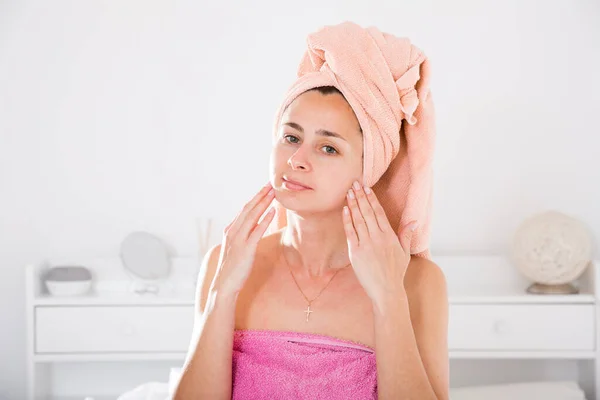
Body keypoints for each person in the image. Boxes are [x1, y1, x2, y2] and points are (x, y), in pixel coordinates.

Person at [174, 22, 449, 400]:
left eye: (328, 148)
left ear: (369, 168)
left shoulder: (417, 282)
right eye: (291, 137)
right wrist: (222, 292)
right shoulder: (225, 262)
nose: (298, 160)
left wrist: (388, 298)